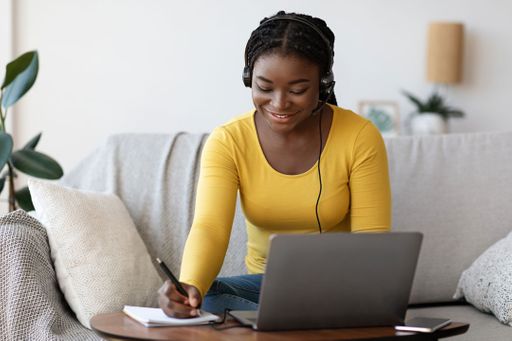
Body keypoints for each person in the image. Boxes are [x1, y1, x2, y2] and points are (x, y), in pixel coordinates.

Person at [158, 10, 391, 318]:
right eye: (265, 88)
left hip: (341, 288)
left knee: (227, 317)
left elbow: (371, 244)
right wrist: (188, 286)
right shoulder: (228, 140)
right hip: (265, 286)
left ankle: (272, 325)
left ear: (323, 84)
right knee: (208, 296)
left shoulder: (360, 136)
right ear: (248, 80)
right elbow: (210, 228)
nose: (279, 104)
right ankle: (297, 326)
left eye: (297, 90)